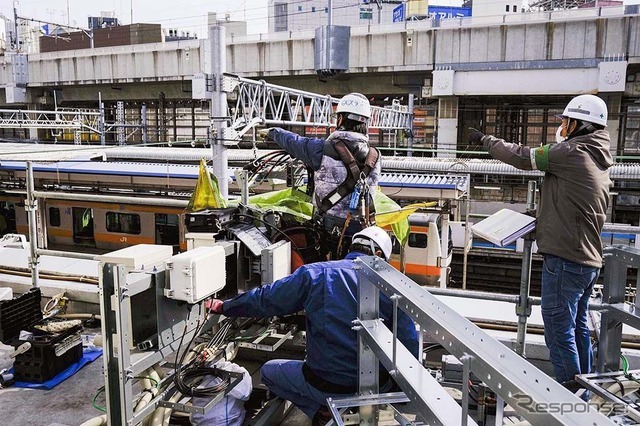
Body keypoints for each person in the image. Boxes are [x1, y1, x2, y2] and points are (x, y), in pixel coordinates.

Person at [469, 94, 613, 398]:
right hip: (587, 260)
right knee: (577, 328)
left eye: (565, 121)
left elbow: (522, 157)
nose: (561, 126)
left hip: (565, 259)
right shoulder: (597, 155)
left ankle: (569, 395)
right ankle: (584, 392)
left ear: (578, 124)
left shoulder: (571, 152)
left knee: (559, 329)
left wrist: (486, 140)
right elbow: (569, 204)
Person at [207, 226, 419, 425]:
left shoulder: (315, 274)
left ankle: (320, 412)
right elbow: (408, 341)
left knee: (268, 372)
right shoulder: (392, 284)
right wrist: (403, 387)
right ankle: (337, 410)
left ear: (350, 248)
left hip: (323, 384)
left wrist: (225, 307)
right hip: (376, 387)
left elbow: (266, 300)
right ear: (380, 256)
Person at [258, 93, 381, 258]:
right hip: (362, 231)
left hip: (328, 229)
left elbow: (293, 141)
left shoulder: (321, 149)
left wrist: (273, 132)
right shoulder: (375, 156)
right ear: (365, 122)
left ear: (340, 120)